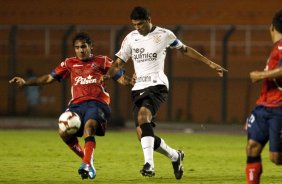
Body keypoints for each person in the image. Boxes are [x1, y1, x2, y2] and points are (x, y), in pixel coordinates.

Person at [107, 6, 227, 179]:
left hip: (157, 85)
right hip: (138, 88)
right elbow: (118, 63)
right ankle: (175, 156)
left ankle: (149, 165)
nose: (138, 28)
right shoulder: (131, 38)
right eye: (134, 25)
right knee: (143, 135)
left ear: (149, 19)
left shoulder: (165, 35)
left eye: (140, 24)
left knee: (143, 117)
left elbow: (185, 49)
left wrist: (210, 64)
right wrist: (110, 75)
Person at [9, 32, 133, 180]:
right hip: (76, 105)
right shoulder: (69, 63)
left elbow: (121, 78)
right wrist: (26, 83)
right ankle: (88, 159)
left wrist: (132, 81)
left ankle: (86, 164)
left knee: (89, 127)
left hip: (97, 103)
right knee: (63, 133)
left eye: (84, 47)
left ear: (91, 46)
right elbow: (49, 78)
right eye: (77, 47)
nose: (81, 50)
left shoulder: (103, 61)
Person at [245, 10, 282, 184]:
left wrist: (260, 75)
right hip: (263, 106)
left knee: (276, 157)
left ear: (272, 27)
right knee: (252, 147)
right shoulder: (277, 47)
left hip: (279, 108)